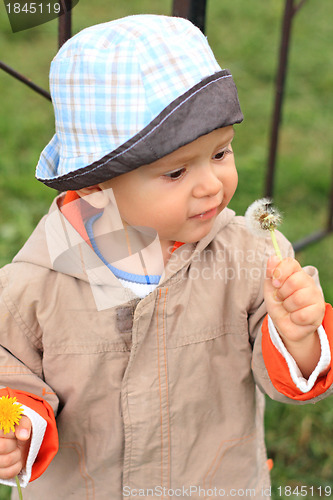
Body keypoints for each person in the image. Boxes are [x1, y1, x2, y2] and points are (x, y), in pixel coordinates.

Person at [0, 14, 332, 500]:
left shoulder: (252, 257)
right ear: (96, 184)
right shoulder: (36, 284)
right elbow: (10, 367)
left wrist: (297, 334)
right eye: (176, 172)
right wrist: (16, 423)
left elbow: (287, 380)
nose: (211, 184)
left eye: (221, 153)